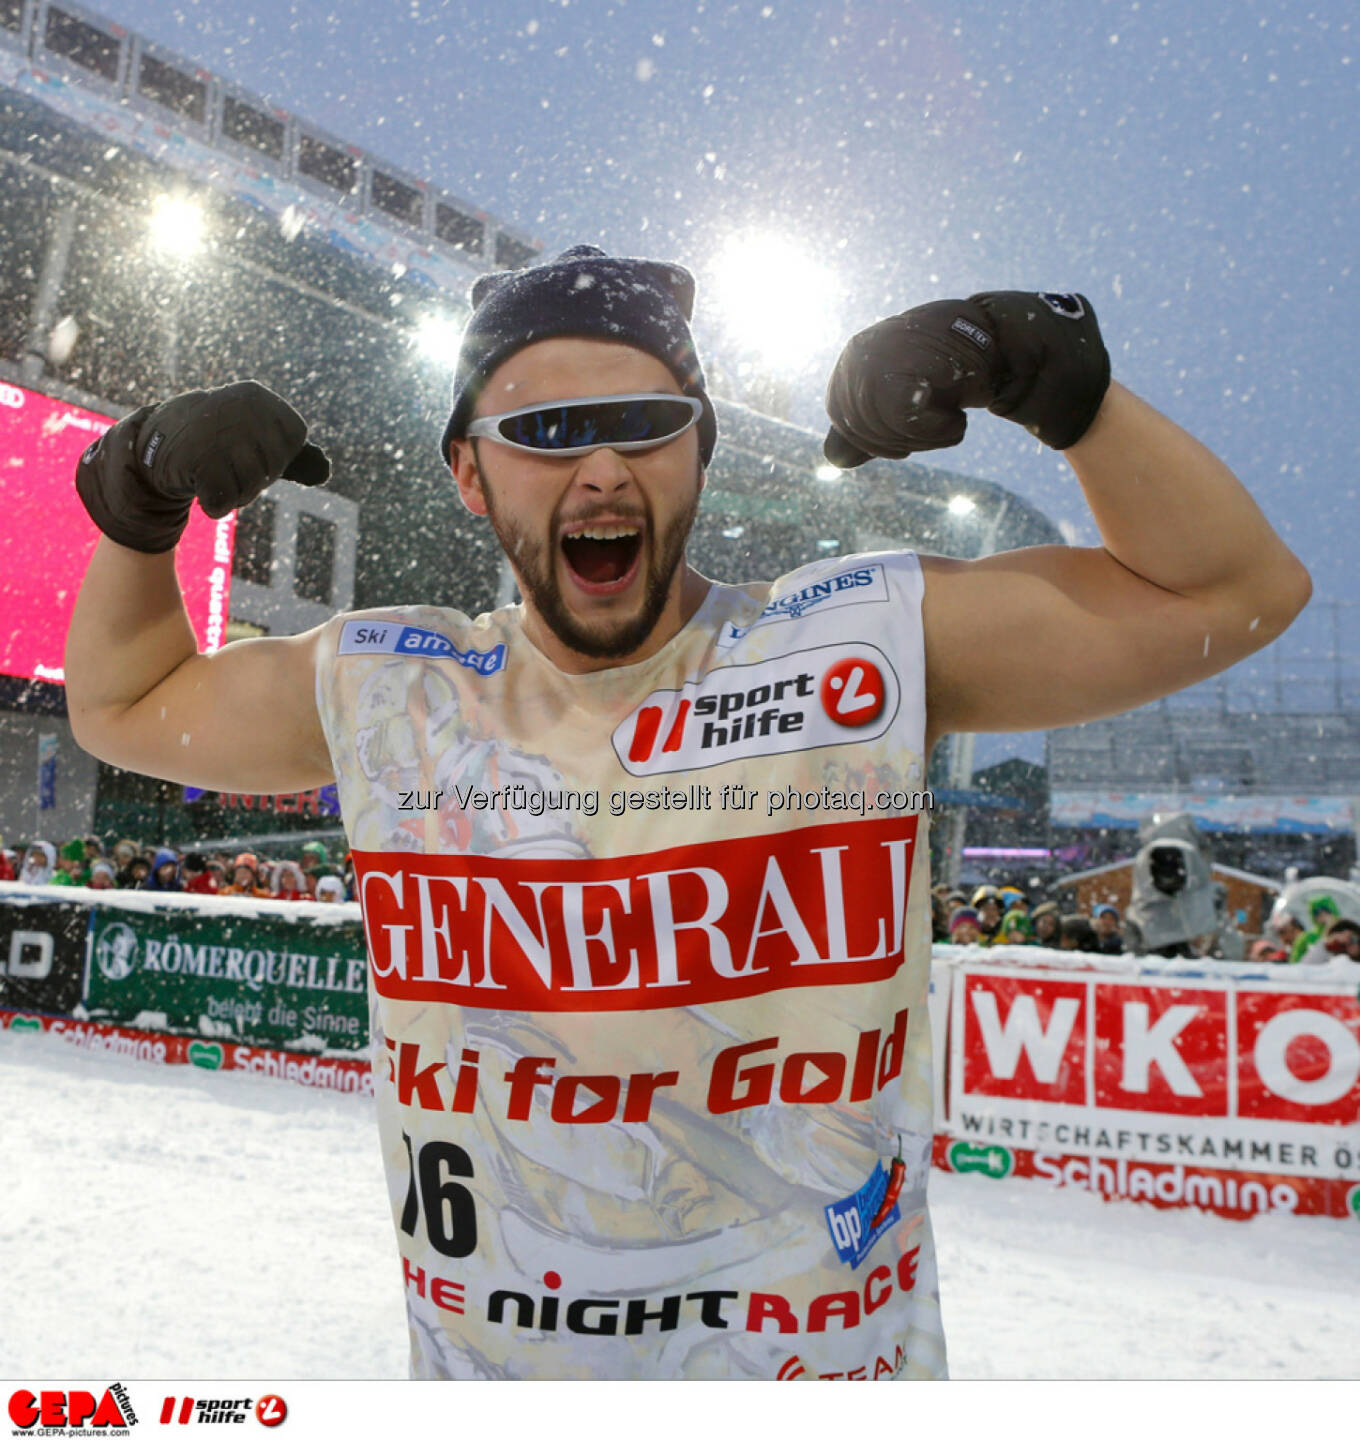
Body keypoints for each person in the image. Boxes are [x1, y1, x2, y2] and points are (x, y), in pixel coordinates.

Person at [63, 245, 1309, 1381]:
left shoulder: (851, 645)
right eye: (547, 431)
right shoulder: (397, 684)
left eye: (643, 426)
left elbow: (1235, 591)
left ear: (700, 448)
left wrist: (1054, 382)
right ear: (467, 471)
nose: (601, 469)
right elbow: (125, 707)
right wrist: (135, 498)